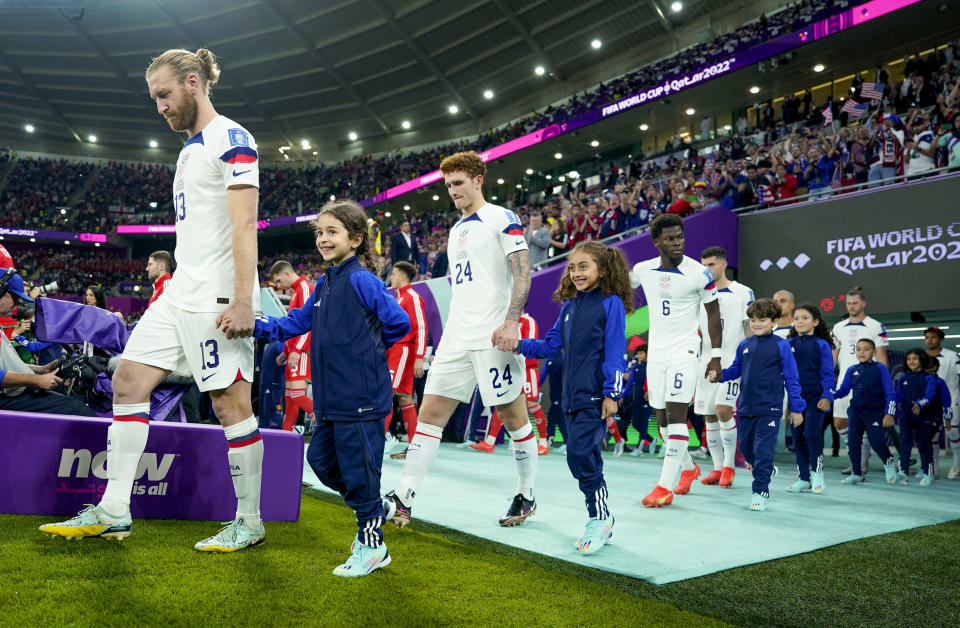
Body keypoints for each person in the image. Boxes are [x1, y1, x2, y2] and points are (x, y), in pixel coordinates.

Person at [40, 48, 266, 550]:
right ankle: (114, 511)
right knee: (127, 381)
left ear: (192, 83)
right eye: (154, 98)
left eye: (164, 94)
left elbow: (245, 225)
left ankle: (249, 522)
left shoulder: (232, 140)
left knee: (232, 407)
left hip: (216, 299)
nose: (159, 106)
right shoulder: (189, 149)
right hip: (179, 293)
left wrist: (245, 300)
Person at [253, 200, 409, 576]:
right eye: (320, 232)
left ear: (356, 240)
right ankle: (376, 508)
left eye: (332, 232)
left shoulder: (361, 279)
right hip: (330, 400)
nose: (323, 239)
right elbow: (294, 323)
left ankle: (373, 545)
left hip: (361, 398)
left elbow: (399, 324)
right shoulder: (325, 282)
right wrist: (254, 326)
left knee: (359, 473)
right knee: (320, 462)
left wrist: (366, 353)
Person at [384, 151, 537, 528]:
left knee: (512, 416)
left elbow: (522, 272)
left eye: (459, 183)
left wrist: (512, 322)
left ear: (478, 180)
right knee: (429, 415)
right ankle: (404, 496)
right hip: (456, 335)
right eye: (448, 185)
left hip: (492, 335)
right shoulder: (455, 230)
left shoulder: (502, 217)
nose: (453, 191)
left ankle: (527, 493)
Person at [513, 241, 630, 554]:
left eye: (584, 267)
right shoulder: (568, 308)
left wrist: (613, 394)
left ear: (602, 270)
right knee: (580, 458)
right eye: (572, 267)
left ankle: (600, 518)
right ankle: (601, 517)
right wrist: (516, 344)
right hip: (570, 398)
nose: (576, 273)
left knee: (580, 455)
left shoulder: (611, 302)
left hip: (595, 397)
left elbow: (616, 351)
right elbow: (550, 347)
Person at [630, 214, 722, 507]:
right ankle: (689, 468)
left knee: (676, 416)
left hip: (685, 351)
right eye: (669, 238)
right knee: (662, 422)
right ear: (656, 242)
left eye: (680, 237)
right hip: (656, 354)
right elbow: (618, 283)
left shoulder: (700, 273)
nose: (677, 243)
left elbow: (713, 315)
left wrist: (715, 356)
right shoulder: (643, 270)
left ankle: (663, 487)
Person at [710, 298, 805, 512]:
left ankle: (760, 491)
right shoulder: (745, 344)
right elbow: (736, 370)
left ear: (774, 321)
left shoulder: (782, 346)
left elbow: (792, 379)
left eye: (762, 320)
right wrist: (720, 375)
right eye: (753, 320)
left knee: (763, 451)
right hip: (745, 407)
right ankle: (766, 470)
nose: (757, 323)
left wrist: (797, 408)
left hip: (770, 408)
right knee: (746, 450)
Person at [694, 246, 754, 488]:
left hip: (731, 361)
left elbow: (750, 328)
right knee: (709, 414)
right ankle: (717, 468)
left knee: (722, 410)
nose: (706, 270)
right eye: (703, 265)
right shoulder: (700, 294)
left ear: (723, 265)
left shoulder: (743, 292)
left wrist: (750, 361)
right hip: (704, 361)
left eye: (711, 265)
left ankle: (729, 466)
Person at [0, 268, 95, 416]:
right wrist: (36, 380)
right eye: (16, 298)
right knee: (75, 409)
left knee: (72, 403)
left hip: (13, 391)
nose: (16, 305)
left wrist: (40, 370)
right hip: (7, 395)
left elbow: (6, 365)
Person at [832, 286, 888, 475]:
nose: (852, 306)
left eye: (855, 303)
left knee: (863, 424)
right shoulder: (838, 327)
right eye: (849, 303)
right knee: (839, 423)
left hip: (868, 384)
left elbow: (881, 356)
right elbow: (833, 355)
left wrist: (883, 383)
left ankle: (860, 463)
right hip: (844, 382)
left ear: (863, 303)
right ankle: (862, 455)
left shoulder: (875, 326)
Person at [832, 339, 899, 486]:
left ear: (874, 352)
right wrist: (828, 395)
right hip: (855, 412)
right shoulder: (851, 369)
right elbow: (843, 391)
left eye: (866, 349)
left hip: (874, 413)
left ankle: (888, 463)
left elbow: (890, 392)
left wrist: (889, 413)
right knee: (853, 444)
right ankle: (856, 473)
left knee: (877, 443)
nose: (862, 352)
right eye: (859, 349)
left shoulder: (880, 368)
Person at [785, 305, 835, 494]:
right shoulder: (787, 344)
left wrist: (826, 396)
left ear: (815, 322)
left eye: (804, 318)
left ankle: (818, 474)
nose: (799, 321)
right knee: (798, 438)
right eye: (796, 318)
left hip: (816, 399)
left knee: (812, 434)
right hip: (795, 400)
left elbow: (828, 373)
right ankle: (803, 478)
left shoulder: (822, 344)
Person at [384, 261, 428, 459]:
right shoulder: (398, 298)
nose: (391, 277)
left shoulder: (412, 297)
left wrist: (419, 357)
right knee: (405, 399)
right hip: (395, 352)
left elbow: (421, 327)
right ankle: (415, 447)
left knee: (385, 395)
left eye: (393, 274)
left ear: (403, 277)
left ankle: (382, 439)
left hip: (403, 352)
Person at [268, 260, 315, 432]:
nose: (278, 286)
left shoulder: (304, 288)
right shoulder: (296, 291)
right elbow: (293, 326)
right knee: (289, 397)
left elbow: (309, 324)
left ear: (287, 273)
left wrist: (297, 350)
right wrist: (286, 351)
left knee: (296, 394)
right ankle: (286, 438)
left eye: (279, 281)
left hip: (303, 351)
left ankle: (327, 424)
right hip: (295, 351)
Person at [895, 350, 938, 486]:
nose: (911, 362)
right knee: (904, 445)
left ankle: (928, 473)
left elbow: (930, 395)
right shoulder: (903, 377)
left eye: (915, 359)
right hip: (906, 416)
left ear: (922, 361)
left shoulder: (929, 378)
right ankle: (903, 472)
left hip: (924, 416)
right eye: (909, 359)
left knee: (925, 446)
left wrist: (920, 404)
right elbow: (899, 396)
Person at [923, 326, 960, 478]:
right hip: (929, 402)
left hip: (951, 399)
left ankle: (958, 468)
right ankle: (933, 469)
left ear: (941, 339)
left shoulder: (954, 356)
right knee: (931, 436)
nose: (929, 340)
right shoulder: (921, 357)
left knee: (952, 431)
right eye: (927, 337)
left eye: (933, 337)